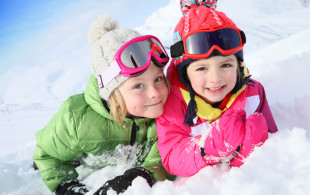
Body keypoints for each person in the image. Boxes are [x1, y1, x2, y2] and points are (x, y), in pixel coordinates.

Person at [33, 15, 175, 195]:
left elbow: (165, 158)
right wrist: (66, 185)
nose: (155, 92)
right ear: (112, 93)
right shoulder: (76, 119)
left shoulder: (165, 114)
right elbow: (47, 155)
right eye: (138, 85)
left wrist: (142, 175)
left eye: (158, 78)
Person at [156, 0, 278, 177]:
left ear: (238, 65)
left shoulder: (253, 93)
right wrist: (208, 147)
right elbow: (172, 156)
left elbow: (276, 138)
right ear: (184, 74)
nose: (215, 78)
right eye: (201, 68)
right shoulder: (172, 109)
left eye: (226, 65)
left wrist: (256, 146)